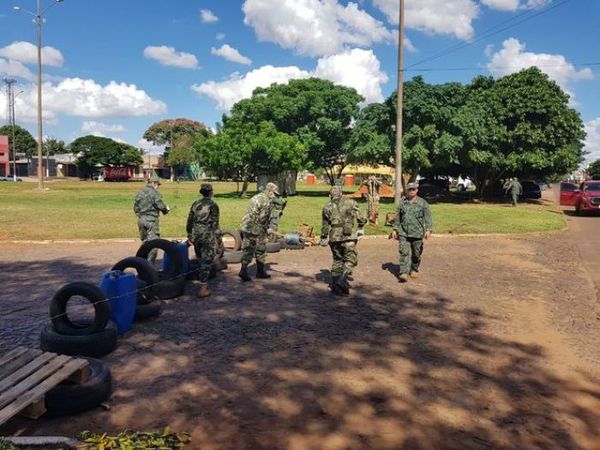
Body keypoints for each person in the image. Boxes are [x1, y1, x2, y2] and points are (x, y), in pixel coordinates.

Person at [320, 186, 367, 295]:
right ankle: (342, 279)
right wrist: (361, 224)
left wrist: (323, 237)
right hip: (348, 236)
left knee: (337, 260)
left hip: (334, 237)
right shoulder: (351, 203)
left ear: (330, 195)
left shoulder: (326, 207)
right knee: (351, 259)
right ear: (341, 194)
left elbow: (325, 225)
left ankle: (336, 287)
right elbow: (360, 218)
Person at [392, 182, 432, 283]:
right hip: (403, 233)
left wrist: (428, 230)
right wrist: (395, 229)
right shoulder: (402, 202)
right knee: (404, 252)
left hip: (417, 233)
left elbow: (428, 217)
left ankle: (414, 269)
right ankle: (403, 273)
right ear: (407, 190)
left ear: (417, 190)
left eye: (413, 189)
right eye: (410, 189)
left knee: (416, 254)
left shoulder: (423, 203)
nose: (411, 191)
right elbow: (398, 217)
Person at [239, 182, 279, 281]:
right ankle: (257, 272)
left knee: (247, 248)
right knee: (260, 249)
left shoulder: (256, 197)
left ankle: (244, 270)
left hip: (246, 226)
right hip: (255, 228)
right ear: (270, 191)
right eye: (274, 193)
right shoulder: (266, 201)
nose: (275, 195)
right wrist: (268, 228)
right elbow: (262, 217)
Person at [186, 183, 220, 298]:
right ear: (211, 192)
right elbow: (215, 224)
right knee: (206, 260)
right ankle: (203, 288)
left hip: (196, 233)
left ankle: (201, 279)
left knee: (200, 257)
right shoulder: (213, 205)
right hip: (207, 234)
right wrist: (219, 240)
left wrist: (189, 233)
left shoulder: (196, 203)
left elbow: (190, 220)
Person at [133, 173, 170, 262]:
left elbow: (135, 208)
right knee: (154, 244)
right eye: (158, 185)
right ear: (154, 183)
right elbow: (160, 205)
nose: (158, 187)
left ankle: (141, 263)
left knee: (145, 243)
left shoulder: (140, 192)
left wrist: (141, 215)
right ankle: (149, 265)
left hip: (141, 220)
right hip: (151, 221)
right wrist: (166, 210)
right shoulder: (154, 193)